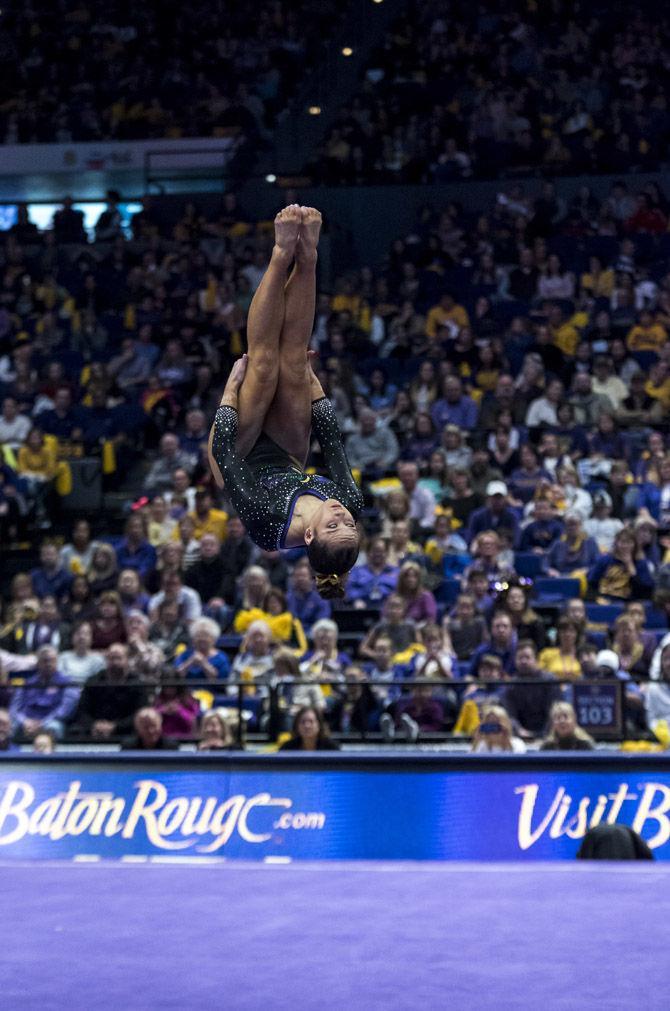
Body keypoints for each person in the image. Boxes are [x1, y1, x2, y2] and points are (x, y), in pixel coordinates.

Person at [209, 206, 363, 599]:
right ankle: (308, 256)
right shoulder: (348, 501)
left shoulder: (267, 523)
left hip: (236, 456)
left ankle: (280, 253)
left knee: (262, 364)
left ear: (308, 535)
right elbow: (331, 441)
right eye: (349, 524)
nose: (341, 515)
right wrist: (311, 381)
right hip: (287, 454)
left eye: (333, 526)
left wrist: (229, 391)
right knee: (293, 362)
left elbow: (225, 454)